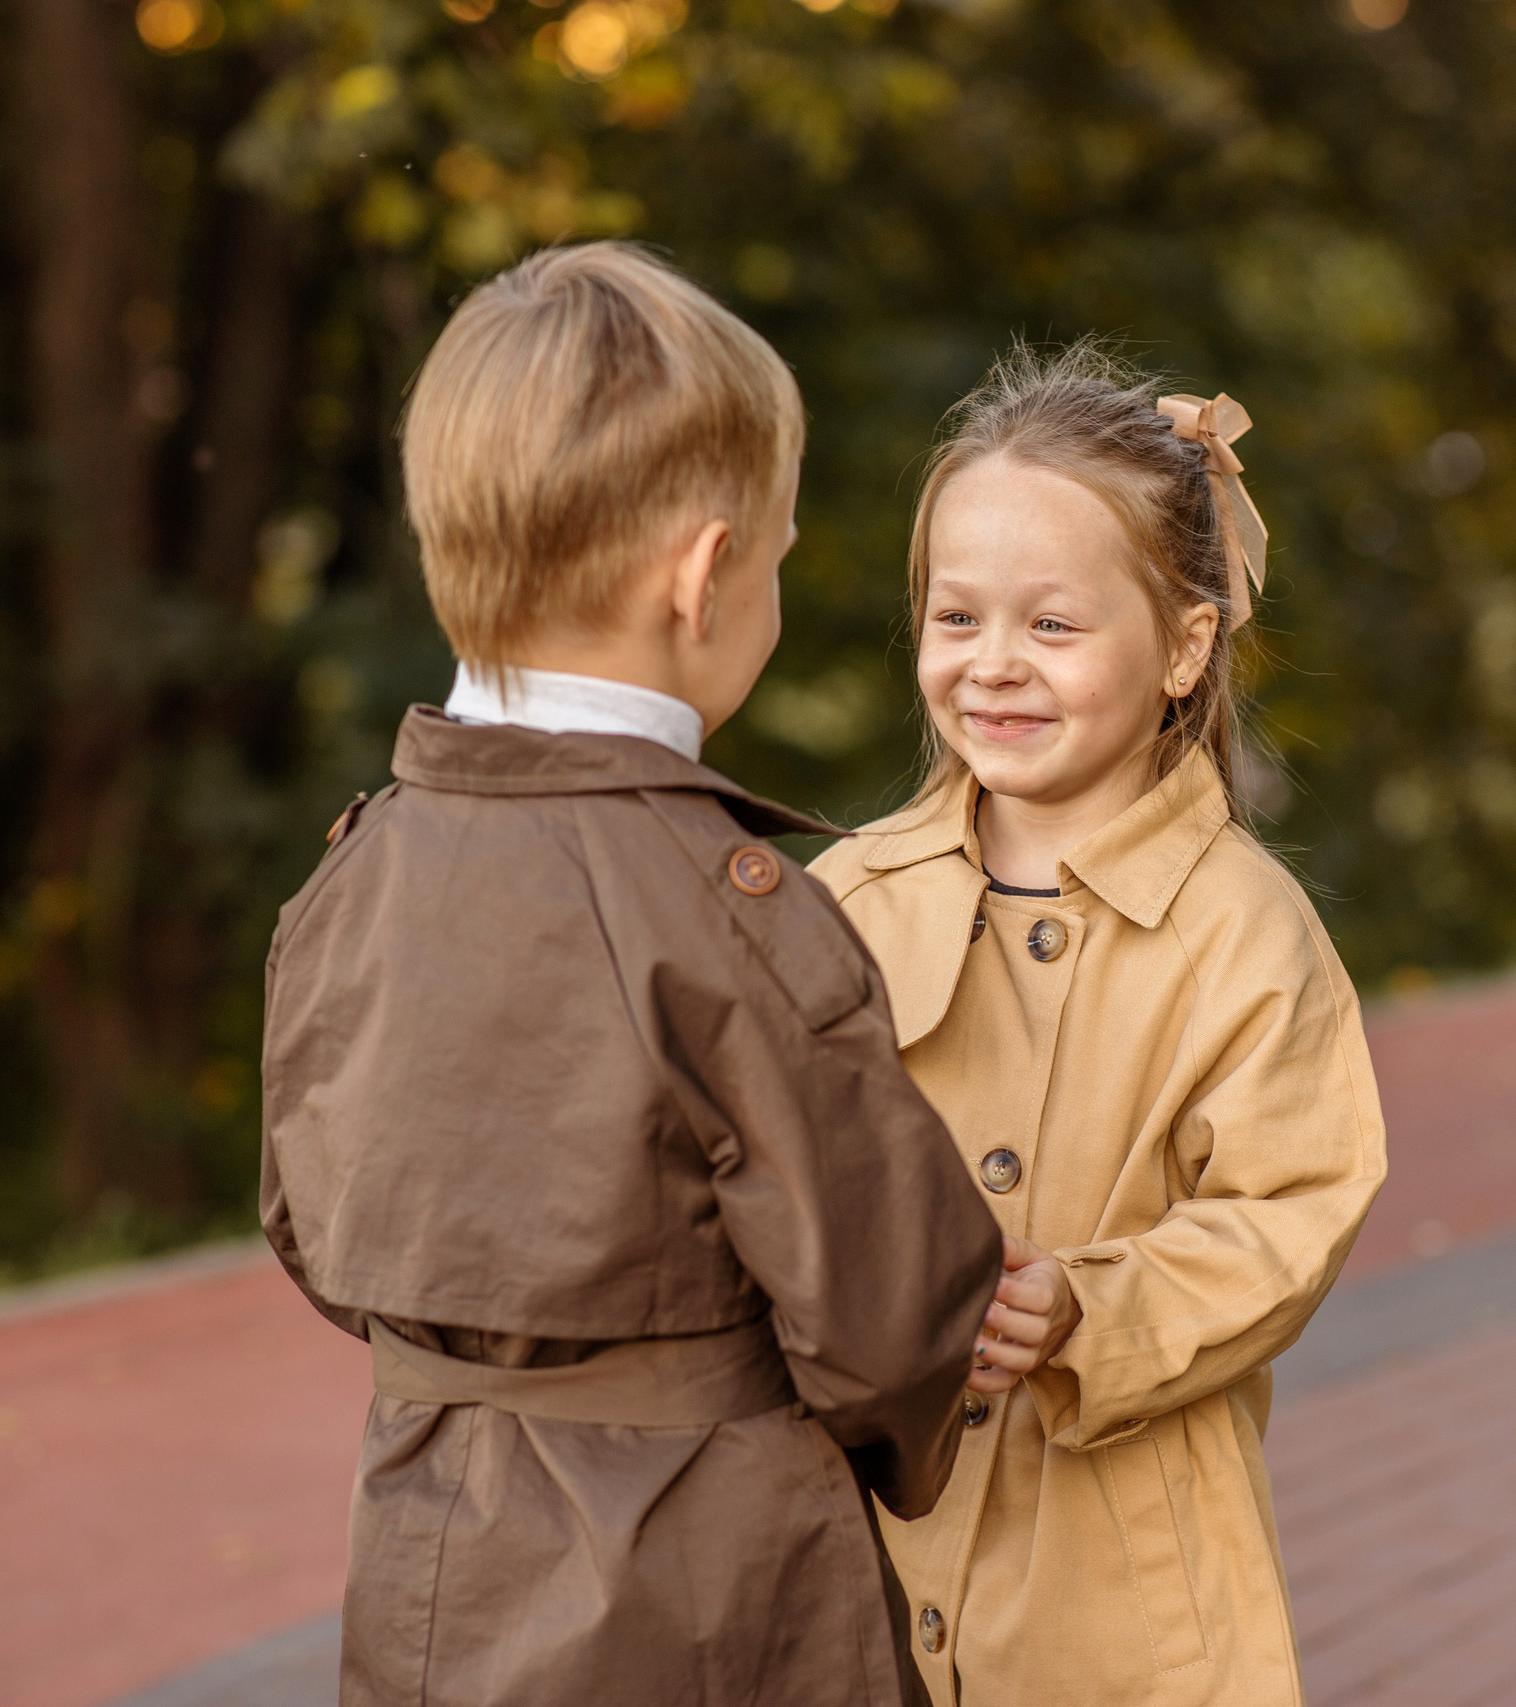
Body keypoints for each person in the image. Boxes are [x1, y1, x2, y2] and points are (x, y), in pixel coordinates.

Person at [260, 243, 1001, 1707]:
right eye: (777, 555)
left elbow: (307, 1221)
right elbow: (896, 1307)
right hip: (715, 1589)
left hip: (428, 1566)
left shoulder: (359, 867)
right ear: (704, 575)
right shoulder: (722, 910)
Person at [811, 343, 1389, 1707]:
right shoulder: (843, 898)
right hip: (861, 1562)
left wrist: (1089, 1305)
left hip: (1119, 1593)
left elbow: (1291, 1209)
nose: (993, 667)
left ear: (1186, 646)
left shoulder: (1241, 930)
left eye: (1053, 628)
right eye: (957, 621)